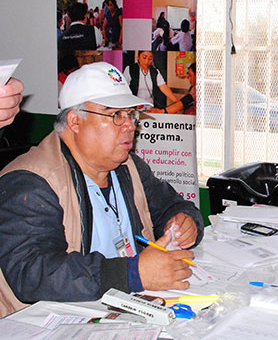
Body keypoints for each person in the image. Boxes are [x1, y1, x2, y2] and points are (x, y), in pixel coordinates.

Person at [0, 62, 204, 316]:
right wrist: (132, 273)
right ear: (75, 121)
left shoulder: (127, 166)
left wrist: (186, 221)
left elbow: (172, 206)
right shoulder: (31, 181)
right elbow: (32, 274)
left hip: (121, 310)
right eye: (115, 115)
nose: (129, 125)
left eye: (131, 115)